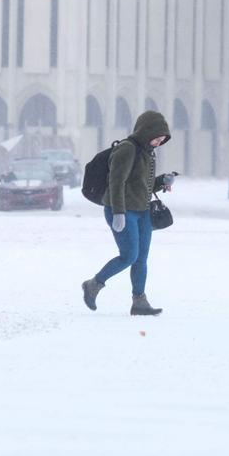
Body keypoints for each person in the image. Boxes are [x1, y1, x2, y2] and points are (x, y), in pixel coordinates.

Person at [81, 110, 175, 316]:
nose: (159, 143)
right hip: (121, 211)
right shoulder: (127, 149)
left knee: (141, 258)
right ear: (146, 132)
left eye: (162, 140)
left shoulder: (147, 152)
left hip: (142, 212)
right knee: (129, 256)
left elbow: (142, 186)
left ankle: (139, 301)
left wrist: (162, 181)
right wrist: (118, 212)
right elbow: (116, 182)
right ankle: (93, 284)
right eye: (157, 138)